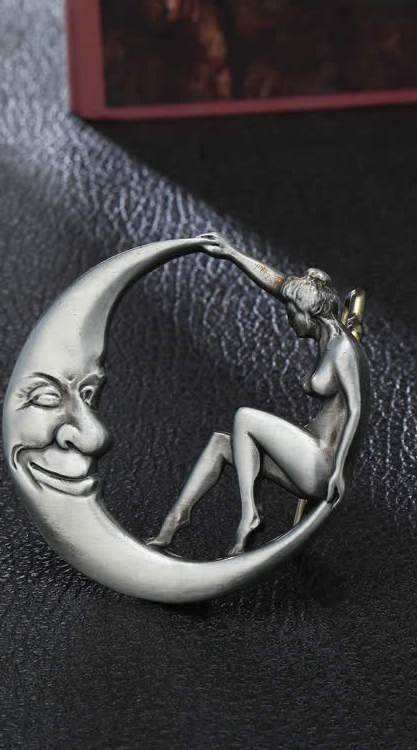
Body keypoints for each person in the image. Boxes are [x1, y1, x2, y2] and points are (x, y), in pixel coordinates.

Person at [147, 232, 370, 556]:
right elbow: (276, 283)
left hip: (323, 465)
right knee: (220, 444)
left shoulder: (343, 350)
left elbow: (357, 410)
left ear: (306, 313)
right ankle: (171, 525)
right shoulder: (326, 336)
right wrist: (232, 252)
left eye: (291, 313)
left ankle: (250, 515)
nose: (289, 320)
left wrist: (340, 473)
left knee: (245, 418)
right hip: (306, 457)